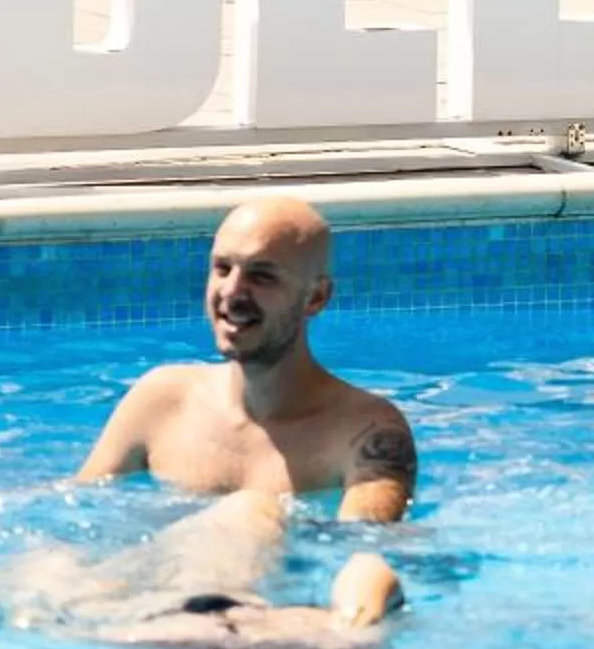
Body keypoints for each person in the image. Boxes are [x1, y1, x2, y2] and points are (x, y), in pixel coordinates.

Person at [78, 194, 417, 522]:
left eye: (261, 276)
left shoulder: (366, 432)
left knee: (253, 512)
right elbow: (73, 514)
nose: (232, 292)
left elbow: (364, 555)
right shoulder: (162, 399)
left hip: (268, 576)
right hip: (150, 572)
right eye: (223, 269)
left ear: (315, 297)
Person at [0, 490, 406, 649]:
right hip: (221, 597)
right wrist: (358, 616)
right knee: (254, 505)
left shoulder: (111, 634)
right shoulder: (323, 635)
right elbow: (369, 568)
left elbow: (370, 571)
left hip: (121, 616)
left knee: (51, 560)